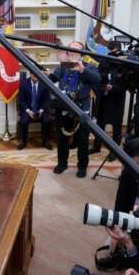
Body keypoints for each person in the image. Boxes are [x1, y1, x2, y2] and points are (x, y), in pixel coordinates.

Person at [50, 42, 101, 178]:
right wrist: (43, 74)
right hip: (64, 108)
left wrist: (82, 70)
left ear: (82, 53)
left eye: (75, 49)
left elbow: (98, 80)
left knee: (83, 141)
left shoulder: (90, 66)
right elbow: (52, 79)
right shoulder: (63, 66)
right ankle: (62, 164)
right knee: (62, 139)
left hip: (82, 109)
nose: (71, 51)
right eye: (69, 49)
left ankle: (82, 166)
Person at [89, 41, 126, 161]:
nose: (110, 54)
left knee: (116, 128)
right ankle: (96, 146)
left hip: (116, 101)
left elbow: (126, 85)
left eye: (112, 52)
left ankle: (114, 152)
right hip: (103, 99)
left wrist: (113, 87)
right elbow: (97, 78)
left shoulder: (123, 65)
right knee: (100, 125)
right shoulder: (104, 63)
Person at [17, 73, 52, 150]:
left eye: (36, 74)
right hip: (28, 109)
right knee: (24, 121)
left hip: (41, 109)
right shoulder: (24, 84)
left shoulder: (44, 83)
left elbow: (47, 100)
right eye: (33, 74)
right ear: (30, 74)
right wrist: (28, 111)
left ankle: (45, 141)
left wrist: (41, 110)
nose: (35, 76)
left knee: (46, 120)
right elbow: (21, 100)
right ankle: (23, 141)